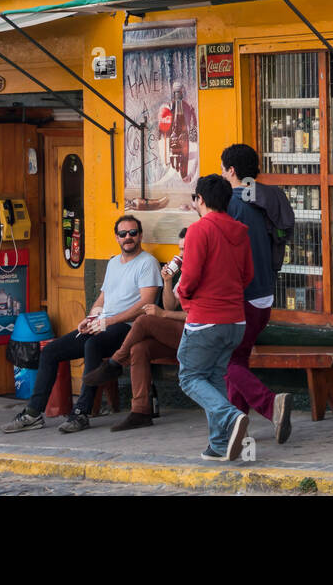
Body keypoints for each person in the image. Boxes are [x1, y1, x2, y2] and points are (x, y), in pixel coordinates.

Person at [2, 215, 160, 434]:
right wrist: (92, 317)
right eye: (123, 234)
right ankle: (33, 413)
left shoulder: (147, 263)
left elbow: (146, 303)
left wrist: (109, 321)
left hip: (129, 327)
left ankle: (81, 413)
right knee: (51, 351)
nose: (128, 237)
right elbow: (103, 297)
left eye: (133, 233)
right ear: (116, 237)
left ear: (140, 235)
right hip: (103, 323)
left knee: (92, 346)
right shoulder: (114, 262)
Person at [175, 174, 253, 461]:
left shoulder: (199, 229)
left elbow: (190, 276)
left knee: (189, 377)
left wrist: (183, 294)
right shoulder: (240, 231)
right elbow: (248, 276)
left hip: (206, 319)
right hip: (236, 321)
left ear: (201, 200)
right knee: (214, 378)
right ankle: (219, 444)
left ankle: (230, 416)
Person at [84, 228, 191, 431]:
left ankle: (115, 363)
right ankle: (141, 411)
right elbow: (169, 306)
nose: (182, 254)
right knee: (139, 349)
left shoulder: (205, 273)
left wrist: (163, 315)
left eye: (186, 249)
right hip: (179, 335)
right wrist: (167, 282)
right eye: (180, 249)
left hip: (197, 335)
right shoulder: (185, 272)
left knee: (143, 321)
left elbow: (200, 316)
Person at [221, 144, 293, 444]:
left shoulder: (230, 205)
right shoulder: (265, 199)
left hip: (241, 297)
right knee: (238, 359)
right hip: (265, 294)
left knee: (223, 361)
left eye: (224, 169)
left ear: (232, 171)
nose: (223, 175)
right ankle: (236, 424)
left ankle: (270, 405)